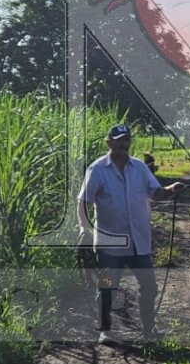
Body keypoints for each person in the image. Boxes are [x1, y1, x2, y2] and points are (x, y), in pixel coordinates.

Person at [77, 123, 183, 341]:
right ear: (109, 143)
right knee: (107, 288)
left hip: (138, 242)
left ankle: (149, 330)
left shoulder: (140, 168)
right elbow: (83, 202)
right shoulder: (97, 170)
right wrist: (83, 228)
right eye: (119, 140)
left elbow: (155, 193)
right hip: (110, 244)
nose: (123, 144)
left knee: (149, 287)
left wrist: (172, 189)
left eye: (126, 140)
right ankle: (105, 331)